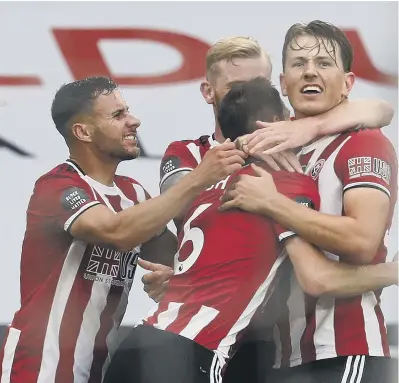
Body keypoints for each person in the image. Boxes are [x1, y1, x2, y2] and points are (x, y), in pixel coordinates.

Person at [104, 78, 398, 383]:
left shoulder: (205, 190)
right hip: (191, 356)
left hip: (139, 342)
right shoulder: (280, 184)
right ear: (271, 124)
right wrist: (391, 272)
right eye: (286, 118)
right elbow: (317, 277)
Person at [0, 76, 246, 383]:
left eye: (128, 111)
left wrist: (175, 279)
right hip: (39, 370)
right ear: (83, 131)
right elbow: (117, 232)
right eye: (118, 115)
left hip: (99, 371)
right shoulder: (56, 187)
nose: (134, 121)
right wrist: (197, 178)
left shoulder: (133, 194)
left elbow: (180, 260)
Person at [220, 21, 398, 383]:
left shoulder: (363, 142)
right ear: (283, 84)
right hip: (282, 358)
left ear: (347, 83)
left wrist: (273, 203)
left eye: (323, 62)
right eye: (299, 63)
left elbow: (362, 241)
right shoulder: (274, 149)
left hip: (344, 353)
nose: (310, 71)